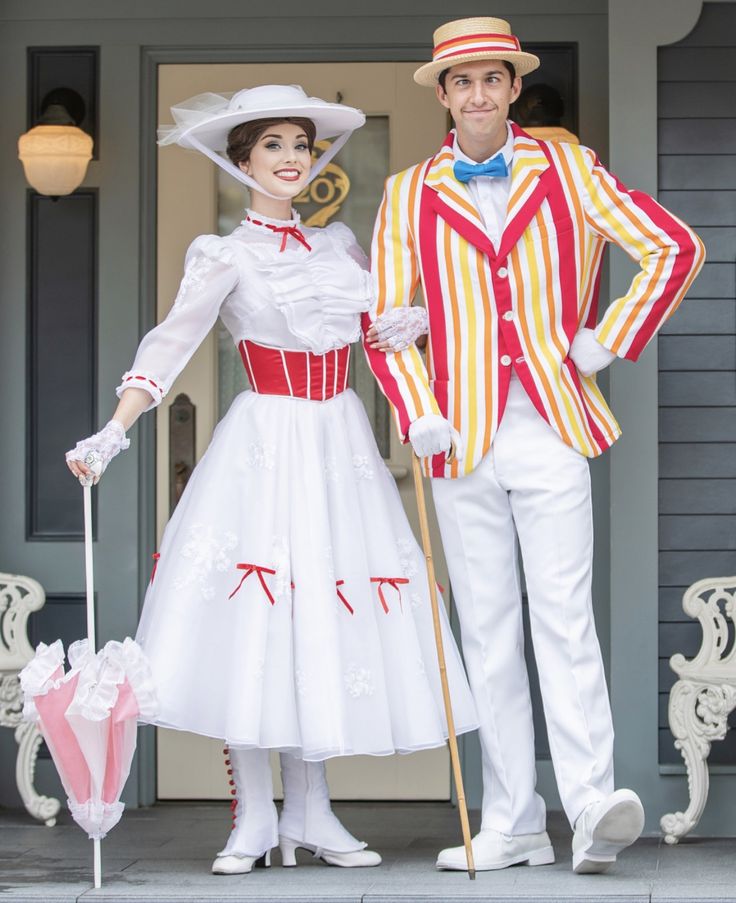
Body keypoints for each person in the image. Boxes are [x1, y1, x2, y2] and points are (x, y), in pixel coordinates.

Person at [66, 84, 477, 876]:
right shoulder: (226, 254)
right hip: (266, 441)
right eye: (273, 147)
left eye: (300, 144)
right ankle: (255, 814)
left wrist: (413, 325)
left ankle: (314, 810)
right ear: (242, 160)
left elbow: (382, 335)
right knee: (259, 618)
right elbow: (167, 347)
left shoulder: (342, 248)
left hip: (340, 444)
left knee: (321, 617)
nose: (292, 159)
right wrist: (113, 434)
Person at [364, 16, 705, 875]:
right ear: (442, 96)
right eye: (461, 82)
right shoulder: (408, 192)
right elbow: (381, 322)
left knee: (563, 619)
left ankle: (591, 807)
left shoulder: (567, 168)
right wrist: (417, 409)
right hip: (460, 438)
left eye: (492, 79)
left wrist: (607, 338)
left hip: (550, 424)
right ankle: (512, 819)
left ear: (514, 88)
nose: (477, 94)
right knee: (487, 631)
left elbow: (674, 247)